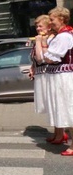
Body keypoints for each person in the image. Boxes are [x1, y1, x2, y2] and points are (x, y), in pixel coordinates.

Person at [38, 6, 73, 155]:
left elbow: (51, 58)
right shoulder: (61, 35)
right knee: (66, 110)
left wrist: (44, 44)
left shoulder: (64, 36)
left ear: (62, 19)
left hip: (63, 78)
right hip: (59, 77)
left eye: (52, 19)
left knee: (68, 110)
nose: (50, 22)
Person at [30, 14, 66, 143]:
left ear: (48, 26)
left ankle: (60, 133)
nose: (38, 28)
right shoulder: (44, 38)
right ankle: (58, 132)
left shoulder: (50, 39)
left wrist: (39, 41)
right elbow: (36, 60)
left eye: (40, 25)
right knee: (51, 105)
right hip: (42, 74)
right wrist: (32, 67)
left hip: (48, 74)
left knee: (54, 104)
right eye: (36, 26)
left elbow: (41, 58)